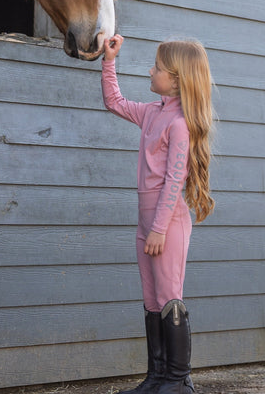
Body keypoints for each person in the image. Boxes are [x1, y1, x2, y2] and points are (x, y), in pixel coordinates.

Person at [101, 35, 215, 394]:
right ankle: (157, 378)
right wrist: (109, 61)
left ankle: (178, 380)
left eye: (158, 68)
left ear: (177, 78)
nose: (151, 71)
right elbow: (114, 102)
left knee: (169, 298)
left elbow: (172, 181)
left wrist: (159, 229)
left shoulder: (179, 124)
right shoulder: (152, 112)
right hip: (146, 223)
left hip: (167, 224)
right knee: (152, 300)